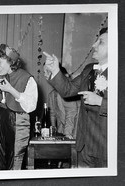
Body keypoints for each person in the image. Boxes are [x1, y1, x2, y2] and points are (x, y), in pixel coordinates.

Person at [43, 27, 108, 168]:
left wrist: (101, 102)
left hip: (106, 149)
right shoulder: (88, 69)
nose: (94, 45)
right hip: (83, 148)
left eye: (100, 42)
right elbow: (67, 90)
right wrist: (55, 70)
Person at [0, 44, 38, 170]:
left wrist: (10, 89)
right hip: (0, 116)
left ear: (11, 62)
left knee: (15, 157)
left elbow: (30, 106)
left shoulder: (26, 78)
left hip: (18, 119)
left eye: (0, 62)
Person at [45, 65, 80, 139]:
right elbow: (53, 114)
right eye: (44, 72)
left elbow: (71, 113)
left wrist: (67, 133)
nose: (45, 74)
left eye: (48, 72)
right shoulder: (52, 94)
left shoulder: (67, 92)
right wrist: (53, 132)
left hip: (75, 130)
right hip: (62, 130)